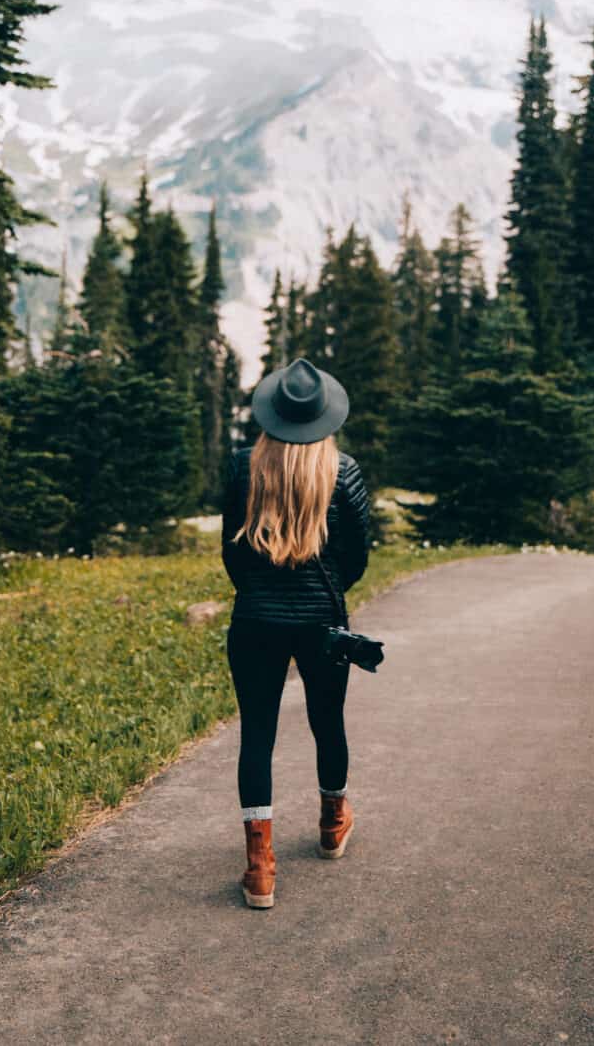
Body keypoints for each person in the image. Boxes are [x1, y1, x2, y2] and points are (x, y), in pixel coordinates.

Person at [221, 355, 372, 909]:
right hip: (323, 622)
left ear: (273, 413)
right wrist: (328, 587)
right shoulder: (344, 470)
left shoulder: (244, 467)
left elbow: (230, 553)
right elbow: (356, 557)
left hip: (255, 620)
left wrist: (261, 591)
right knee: (326, 720)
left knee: (257, 734)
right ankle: (333, 821)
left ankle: (260, 865)